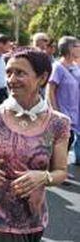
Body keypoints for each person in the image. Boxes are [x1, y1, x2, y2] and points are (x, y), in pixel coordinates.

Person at [0, 50, 70, 242]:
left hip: (34, 220)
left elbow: (61, 171)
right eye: (8, 72)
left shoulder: (58, 123)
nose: (11, 79)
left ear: (42, 78)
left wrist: (44, 176)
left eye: (20, 73)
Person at [47, 36, 80, 165]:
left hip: (74, 112)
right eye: (77, 46)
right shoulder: (58, 67)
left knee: (68, 141)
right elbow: (50, 90)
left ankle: (60, 168)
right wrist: (55, 111)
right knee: (62, 142)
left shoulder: (75, 66)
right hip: (62, 112)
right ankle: (56, 170)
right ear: (70, 49)